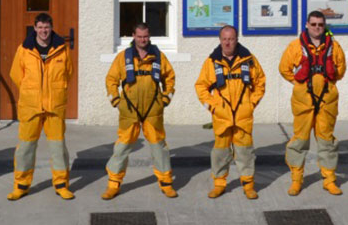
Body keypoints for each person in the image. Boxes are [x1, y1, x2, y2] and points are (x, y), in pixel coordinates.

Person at [102, 22, 178, 199]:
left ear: (149, 36)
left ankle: (166, 183)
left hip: (153, 110)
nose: (143, 40)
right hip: (129, 110)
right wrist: (116, 101)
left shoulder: (158, 57)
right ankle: (113, 184)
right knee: (122, 147)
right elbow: (111, 79)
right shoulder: (123, 57)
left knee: (159, 147)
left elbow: (170, 78)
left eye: (145, 36)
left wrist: (165, 99)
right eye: (139, 36)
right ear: (133, 36)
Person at [279, 10, 347, 196]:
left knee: (327, 141)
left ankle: (329, 179)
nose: (317, 27)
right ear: (307, 25)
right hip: (303, 101)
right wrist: (298, 84)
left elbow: (341, 70)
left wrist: (328, 83)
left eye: (320, 24)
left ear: (324, 26)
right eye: (314, 24)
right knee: (300, 140)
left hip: (327, 100)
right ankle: (296, 179)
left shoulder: (334, 46)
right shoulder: (295, 46)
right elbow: (284, 69)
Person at [8, 12, 75, 201]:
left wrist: (54, 91)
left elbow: (68, 73)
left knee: (58, 148)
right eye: (40, 27)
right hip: (31, 107)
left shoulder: (62, 49)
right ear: (35, 28)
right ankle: (21, 186)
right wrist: (31, 91)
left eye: (47, 27)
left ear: (51, 28)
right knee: (25, 148)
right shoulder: (24, 49)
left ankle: (61, 185)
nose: (44, 31)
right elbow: (15, 74)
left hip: (55, 107)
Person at [195, 25, 267, 199]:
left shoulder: (249, 60)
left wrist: (251, 104)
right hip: (222, 118)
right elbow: (201, 87)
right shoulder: (212, 62)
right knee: (220, 153)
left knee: (245, 153)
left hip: (243, 116)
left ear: (237, 40)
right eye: (225, 39)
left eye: (231, 39)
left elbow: (260, 83)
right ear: (220, 40)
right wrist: (213, 107)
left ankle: (248, 185)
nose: (228, 43)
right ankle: (219, 184)